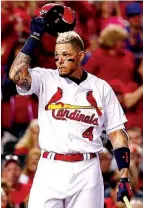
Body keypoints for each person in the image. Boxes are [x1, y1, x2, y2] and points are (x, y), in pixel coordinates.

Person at [9, 10, 133, 208]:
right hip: (50, 166)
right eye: (57, 55)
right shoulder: (46, 78)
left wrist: (124, 174)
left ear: (81, 56)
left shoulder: (101, 87)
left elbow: (117, 133)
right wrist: (33, 38)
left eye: (66, 55)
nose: (59, 60)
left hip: (88, 170)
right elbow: (16, 75)